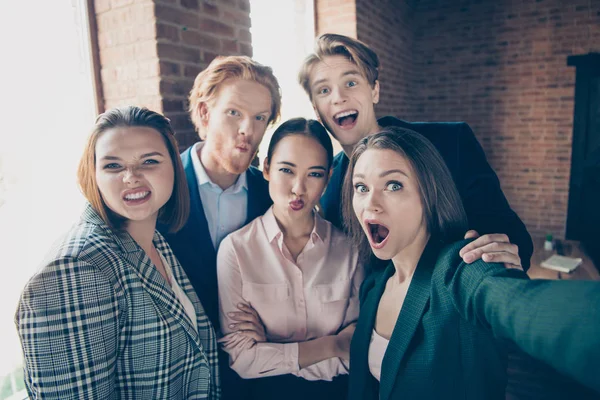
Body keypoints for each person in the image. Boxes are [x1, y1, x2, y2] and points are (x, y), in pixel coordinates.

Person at [343, 126, 600, 399]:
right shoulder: (372, 285)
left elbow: (526, 307)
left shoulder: (463, 267)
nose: (370, 203)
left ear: (430, 194)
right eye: (361, 187)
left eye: (393, 185)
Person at [15, 106, 220, 399]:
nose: (131, 177)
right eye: (113, 166)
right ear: (94, 174)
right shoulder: (76, 268)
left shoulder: (154, 240)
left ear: (174, 168)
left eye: (149, 161)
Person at [298, 33, 533, 271]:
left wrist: (503, 254)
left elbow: (511, 237)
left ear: (374, 91)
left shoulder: (452, 143)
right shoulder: (331, 192)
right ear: (317, 111)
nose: (339, 98)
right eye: (324, 90)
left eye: (350, 83)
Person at [159, 55, 281, 400]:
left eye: (260, 118)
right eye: (234, 113)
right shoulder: (161, 189)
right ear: (203, 113)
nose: (248, 130)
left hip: (258, 380)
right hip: (181, 379)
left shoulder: (273, 195)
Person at [217, 118, 362, 400]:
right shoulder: (236, 250)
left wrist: (272, 349)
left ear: (329, 177)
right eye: (287, 170)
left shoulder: (349, 249)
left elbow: (354, 353)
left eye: (314, 174)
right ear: (267, 167)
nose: (298, 188)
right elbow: (243, 359)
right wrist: (331, 345)